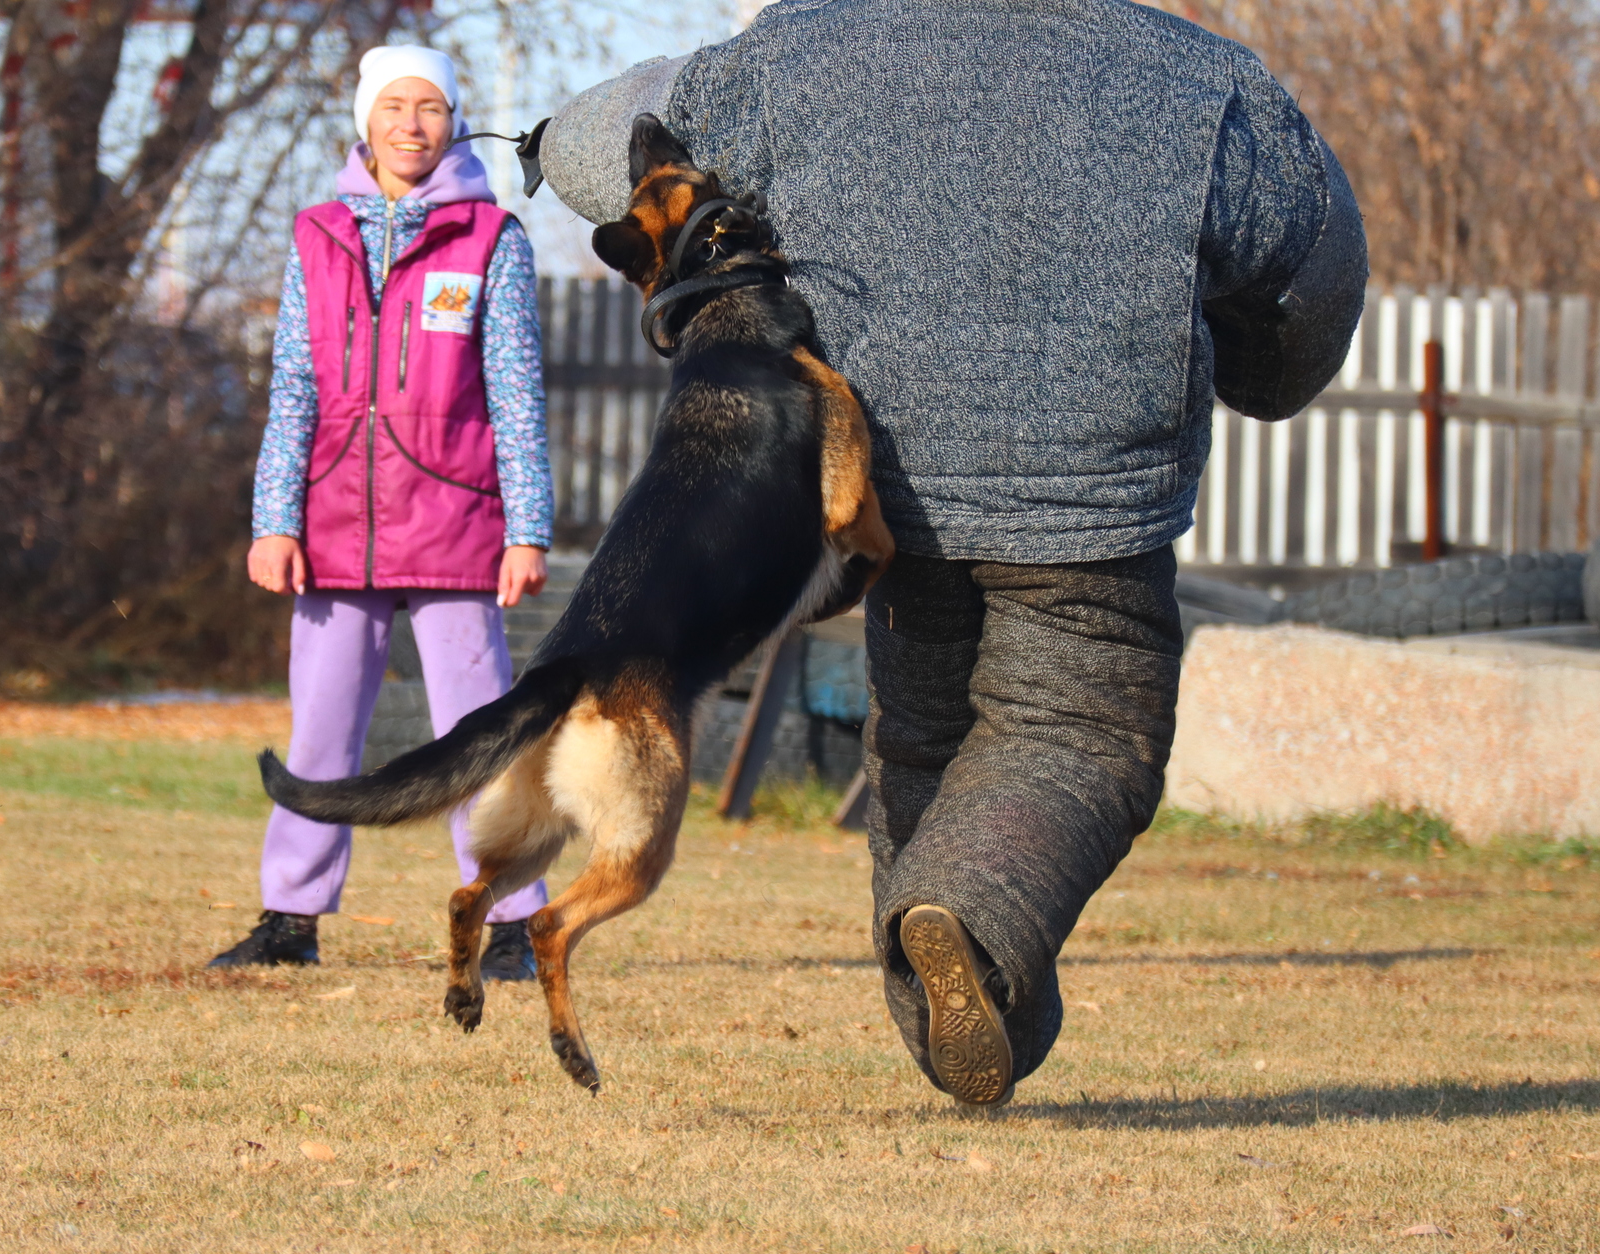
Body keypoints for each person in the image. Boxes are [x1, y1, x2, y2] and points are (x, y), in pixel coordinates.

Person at [535, 0, 1367, 1103]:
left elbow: (617, 138)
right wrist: (1265, 376)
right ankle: (966, 927)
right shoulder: (1198, 79)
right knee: (1078, 737)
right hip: (1089, 508)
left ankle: (960, 1004)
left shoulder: (794, 51)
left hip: (887, 501)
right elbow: (1313, 266)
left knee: (923, 744)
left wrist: (543, 143)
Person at [210, 44, 554, 978]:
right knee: (321, 732)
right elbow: (293, 389)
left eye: (431, 108)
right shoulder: (314, 234)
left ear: (452, 122)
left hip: (456, 528)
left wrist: (528, 529)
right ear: (364, 119)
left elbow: (516, 393)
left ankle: (517, 921)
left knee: (477, 737)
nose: (411, 124)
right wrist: (273, 519)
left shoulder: (494, 238)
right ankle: (290, 919)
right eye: (394, 106)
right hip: (331, 532)